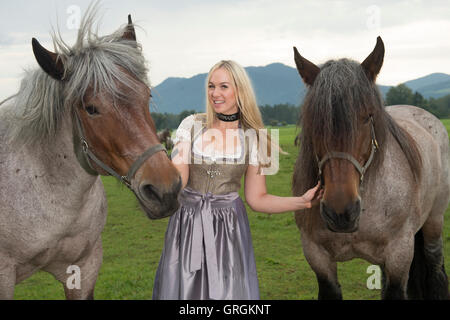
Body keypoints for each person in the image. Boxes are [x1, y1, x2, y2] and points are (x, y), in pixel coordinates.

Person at [152, 60, 322, 300]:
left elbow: (257, 198)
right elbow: (179, 177)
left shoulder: (256, 138)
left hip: (228, 230)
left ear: (239, 90)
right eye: (211, 86)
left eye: (223, 86)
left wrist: (302, 202)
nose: (215, 93)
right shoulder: (190, 125)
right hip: (187, 222)